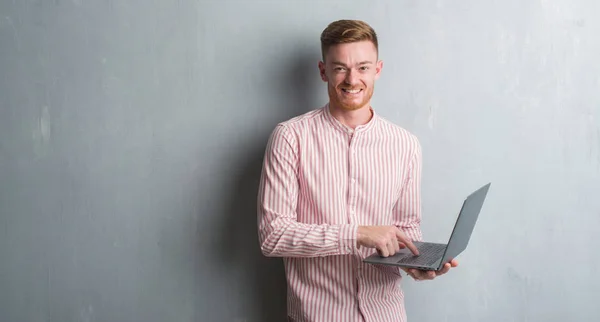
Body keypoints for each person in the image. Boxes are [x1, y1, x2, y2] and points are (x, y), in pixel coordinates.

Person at [257, 19, 458, 322]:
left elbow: (406, 228)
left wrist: (419, 264)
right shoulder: (290, 137)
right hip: (319, 315)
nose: (352, 79)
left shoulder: (405, 144)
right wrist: (357, 234)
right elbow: (273, 235)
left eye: (363, 67)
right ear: (323, 71)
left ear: (377, 69)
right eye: (340, 68)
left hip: (386, 314)